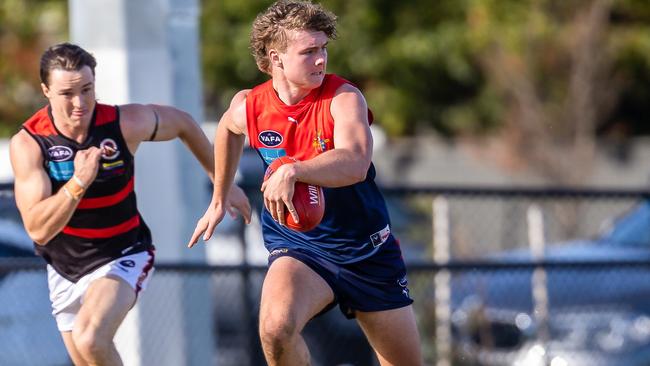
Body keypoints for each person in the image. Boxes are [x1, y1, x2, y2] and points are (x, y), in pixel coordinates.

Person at [189, 1, 423, 365]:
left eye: (323, 49)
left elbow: (357, 162)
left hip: (367, 252)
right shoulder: (251, 106)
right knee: (275, 328)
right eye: (309, 51)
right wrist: (221, 193)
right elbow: (227, 130)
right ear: (276, 58)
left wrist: (294, 169)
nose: (321, 59)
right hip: (301, 249)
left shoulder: (343, 98)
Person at [9, 42, 251, 366]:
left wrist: (223, 184)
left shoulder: (123, 123)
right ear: (45, 91)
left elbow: (182, 123)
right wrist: (79, 183)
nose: (80, 103)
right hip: (65, 269)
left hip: (122, 252)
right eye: (67, 93)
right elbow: (38, 229)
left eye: (87, 89)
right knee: (86, 354)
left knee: (90, 337)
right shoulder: (30, 143)